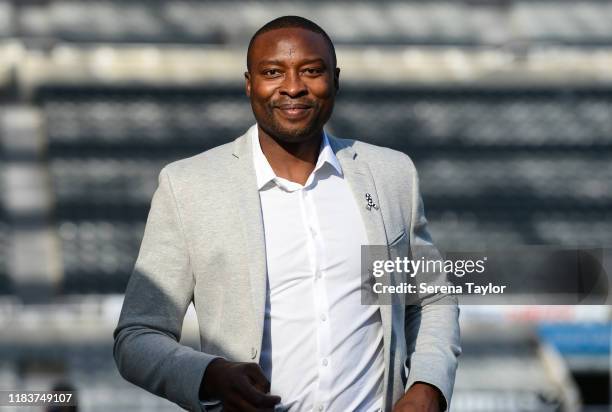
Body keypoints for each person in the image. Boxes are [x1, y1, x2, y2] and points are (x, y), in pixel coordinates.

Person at [113, 15, 460, 412]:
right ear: (249, 84)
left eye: (311, 71)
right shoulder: (188, 186)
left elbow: (431, 298)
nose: (293, 87)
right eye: (273, 72)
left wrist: (427, 386)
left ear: (335, 79)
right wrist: (209, 374)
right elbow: (137, 336)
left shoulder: (390, 174)